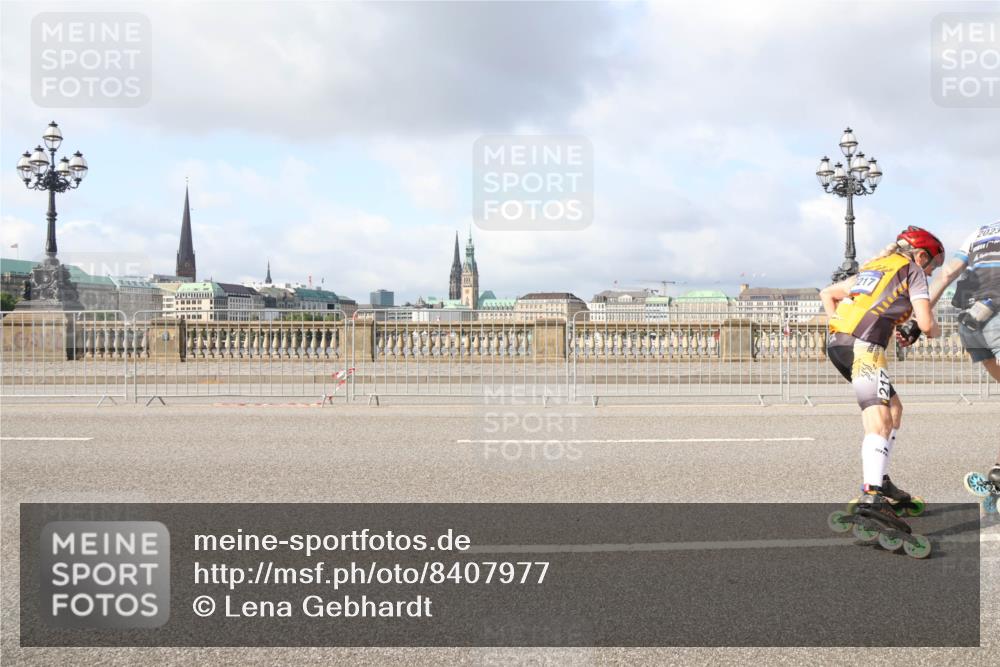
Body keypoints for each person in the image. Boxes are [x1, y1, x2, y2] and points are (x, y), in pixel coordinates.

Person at [820, 226, 945, 530]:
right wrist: (930, 329)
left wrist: (839, 326)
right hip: (865, 347)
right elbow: (927, 324)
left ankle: (882, 479)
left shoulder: (874, 267)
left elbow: (829, 293)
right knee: (879, 421)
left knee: (894, 409)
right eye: (932, 266)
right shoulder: (911, 270)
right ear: (921, 255)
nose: (929, 273)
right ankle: (873, 494)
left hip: (839, 342)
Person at [921, 220, 1000, 501]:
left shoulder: (979, 233)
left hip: (970, 322)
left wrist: (920, 317)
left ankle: (998, 473)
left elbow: (945, 275)